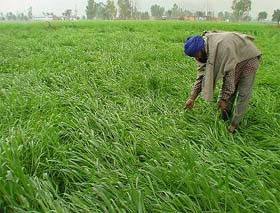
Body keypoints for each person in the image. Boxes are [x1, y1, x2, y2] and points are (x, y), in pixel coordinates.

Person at [183, 31, 261, 133]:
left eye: (196, 55)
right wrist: (192, 98)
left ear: (201, 49)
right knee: (229, 91)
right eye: (193, 56)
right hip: (233, 54)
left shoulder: (221, 49)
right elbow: (201, 76)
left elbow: (229, 76)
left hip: (248, 57)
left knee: (243, 93)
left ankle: (234, 124)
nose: (196, 58)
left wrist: (223, 98)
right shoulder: (202, 53)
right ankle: (224, 116)